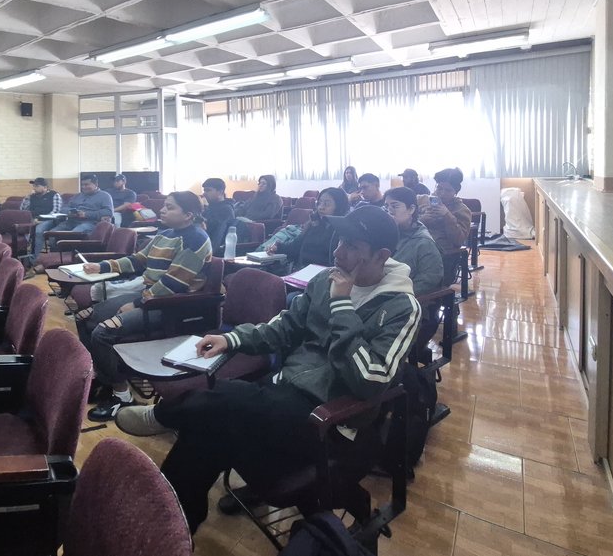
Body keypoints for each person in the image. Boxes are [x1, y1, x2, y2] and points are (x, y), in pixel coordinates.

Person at [113, 205, 420, 533]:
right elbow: (284, 327)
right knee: (206, 430)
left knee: (226, 399)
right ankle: (171, 531)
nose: (338, 252)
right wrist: (230, 339)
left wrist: (341, 305)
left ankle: (164, 416)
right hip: (281, 396)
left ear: (381, 255)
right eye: (340, 240)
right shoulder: (324, 280)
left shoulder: (400, 306)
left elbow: (370, 380)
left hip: (329, 420)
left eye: (352, 246)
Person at [75, 191, 212, 421]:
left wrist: (137, 303)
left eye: (170, 207)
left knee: (102, 332)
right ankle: (106, 378)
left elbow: (173, 284)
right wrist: (103, 266)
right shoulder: (165, 234)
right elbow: (138, 260)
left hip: (172, 306)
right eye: (164, 205)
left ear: (188, 215)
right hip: (150, 296)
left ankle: (122, 396)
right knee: (83, 317)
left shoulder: (196, 240)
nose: (162, 210)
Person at [29, 176, 113, 266]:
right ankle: (54, 260)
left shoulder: (105, 196)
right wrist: (71, 212)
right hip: (71, 221)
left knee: (72, 234)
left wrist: (86, 214)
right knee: (52, 234)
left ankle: (71, 260)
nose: (84, 187)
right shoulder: (78, 196)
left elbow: (108, 212)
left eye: (87, 184)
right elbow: (64, 208)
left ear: (96, 184)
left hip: (89, 222)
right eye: (82, 185)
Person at [262, 187, 348, 269]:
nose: (321, 207)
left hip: (323, 274)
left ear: (339, 207)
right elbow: (294, 247)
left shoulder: (342, 232)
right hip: (301, 271)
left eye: (326, 204)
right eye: (319, 203)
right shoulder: (313, 225)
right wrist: (278, 247)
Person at [384, 187, 443, 295]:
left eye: (395, 206)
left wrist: (399, 293)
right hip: (381, 288)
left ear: (411, 209)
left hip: (401, 296)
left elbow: (430, 279)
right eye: (386, 206)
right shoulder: (386, 233)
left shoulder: (423, 242)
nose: (389, 211)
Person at [421, 167, 474, 249]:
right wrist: (422, 220)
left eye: (448, 190)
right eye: (439, 188)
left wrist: (447, 216)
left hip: (441, 250)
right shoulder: (422, 200)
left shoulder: (462, 210)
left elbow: (459, 240)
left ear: (455, 192)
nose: (442, 193)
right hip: (418, 244)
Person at [200, 178, 235, 244]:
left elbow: (218, 234)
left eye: (208, 190)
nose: (204, 194)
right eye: (204, 190)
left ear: (220, 192)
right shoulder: (209, 207)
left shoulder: (226, 209)